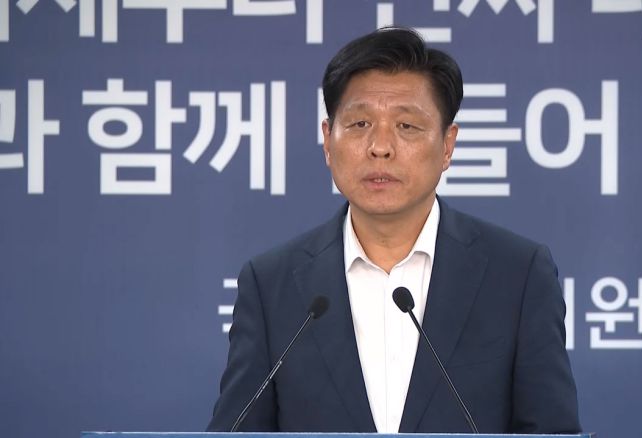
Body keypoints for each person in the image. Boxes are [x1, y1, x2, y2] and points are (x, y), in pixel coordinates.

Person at [207, 26, 580, 434]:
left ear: (448, 145)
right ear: (328, 141)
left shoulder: (518, 276)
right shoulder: (271, 285)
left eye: (407, 126)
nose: (380, 146)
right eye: (359, 123)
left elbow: (551, 431)